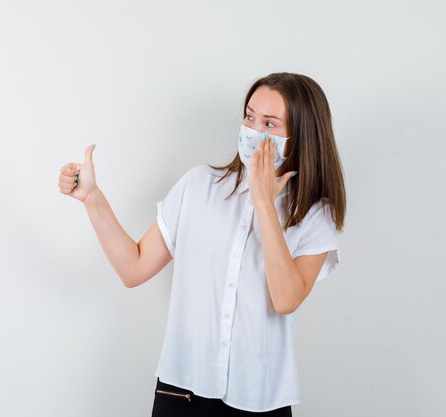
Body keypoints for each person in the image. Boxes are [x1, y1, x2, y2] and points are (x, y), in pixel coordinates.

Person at [58, 72, 346, 416]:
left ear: (301, 137)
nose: (255, 131)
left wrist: (264, 204)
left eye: (270, 124)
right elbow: (133, 268)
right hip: (182, 394)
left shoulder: (315, 213)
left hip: (259, 400)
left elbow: (286, 298)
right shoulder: (199, 186)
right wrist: (92, 198)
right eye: (250, 117)